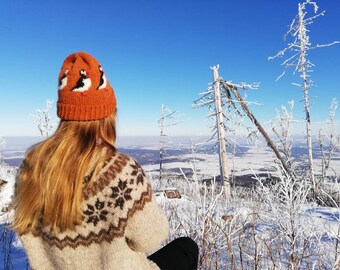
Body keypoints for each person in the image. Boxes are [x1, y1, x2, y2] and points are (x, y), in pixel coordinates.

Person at [12, 52, 198, 269]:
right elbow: (151, 238)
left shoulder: (30, 168)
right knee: (187, 248)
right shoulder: (120, 171)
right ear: (106, 115)